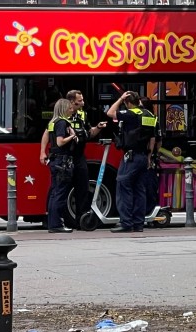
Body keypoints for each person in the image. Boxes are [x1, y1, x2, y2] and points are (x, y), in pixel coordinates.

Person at [40, 90, 105, 229]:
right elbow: (48, 134)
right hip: (65, 156)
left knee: (82, 187)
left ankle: (81, 220)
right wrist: (42, 152)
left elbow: (89, 133)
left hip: (78, 156)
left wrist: (98, 128)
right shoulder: (61, 119)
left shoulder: (82, 115)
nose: (82, 103)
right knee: (60, 190)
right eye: (79, 101)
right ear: (70, 103)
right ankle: (56, 221)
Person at [108, 90, 156, 233]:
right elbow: (152, 139)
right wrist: (148, 157)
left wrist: (120, 99)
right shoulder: (150, 115)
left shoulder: (130, 113)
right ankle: (138, 223)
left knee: (124, 187)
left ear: (128, 103)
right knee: (140, 190)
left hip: (131, 157)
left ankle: (126, 223)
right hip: (143, 156)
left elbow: (110, 113)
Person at [46, 98, 79, 234]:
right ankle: (56, 224)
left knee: (54, 193)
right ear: (64, 109)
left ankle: (52, 223)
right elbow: (60, 142)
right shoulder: (62, 123)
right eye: (70, 108)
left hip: (54, 160)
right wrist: (72, 136)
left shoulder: (52, 123)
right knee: (60, 194)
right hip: (62, 161)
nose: (72, 110)